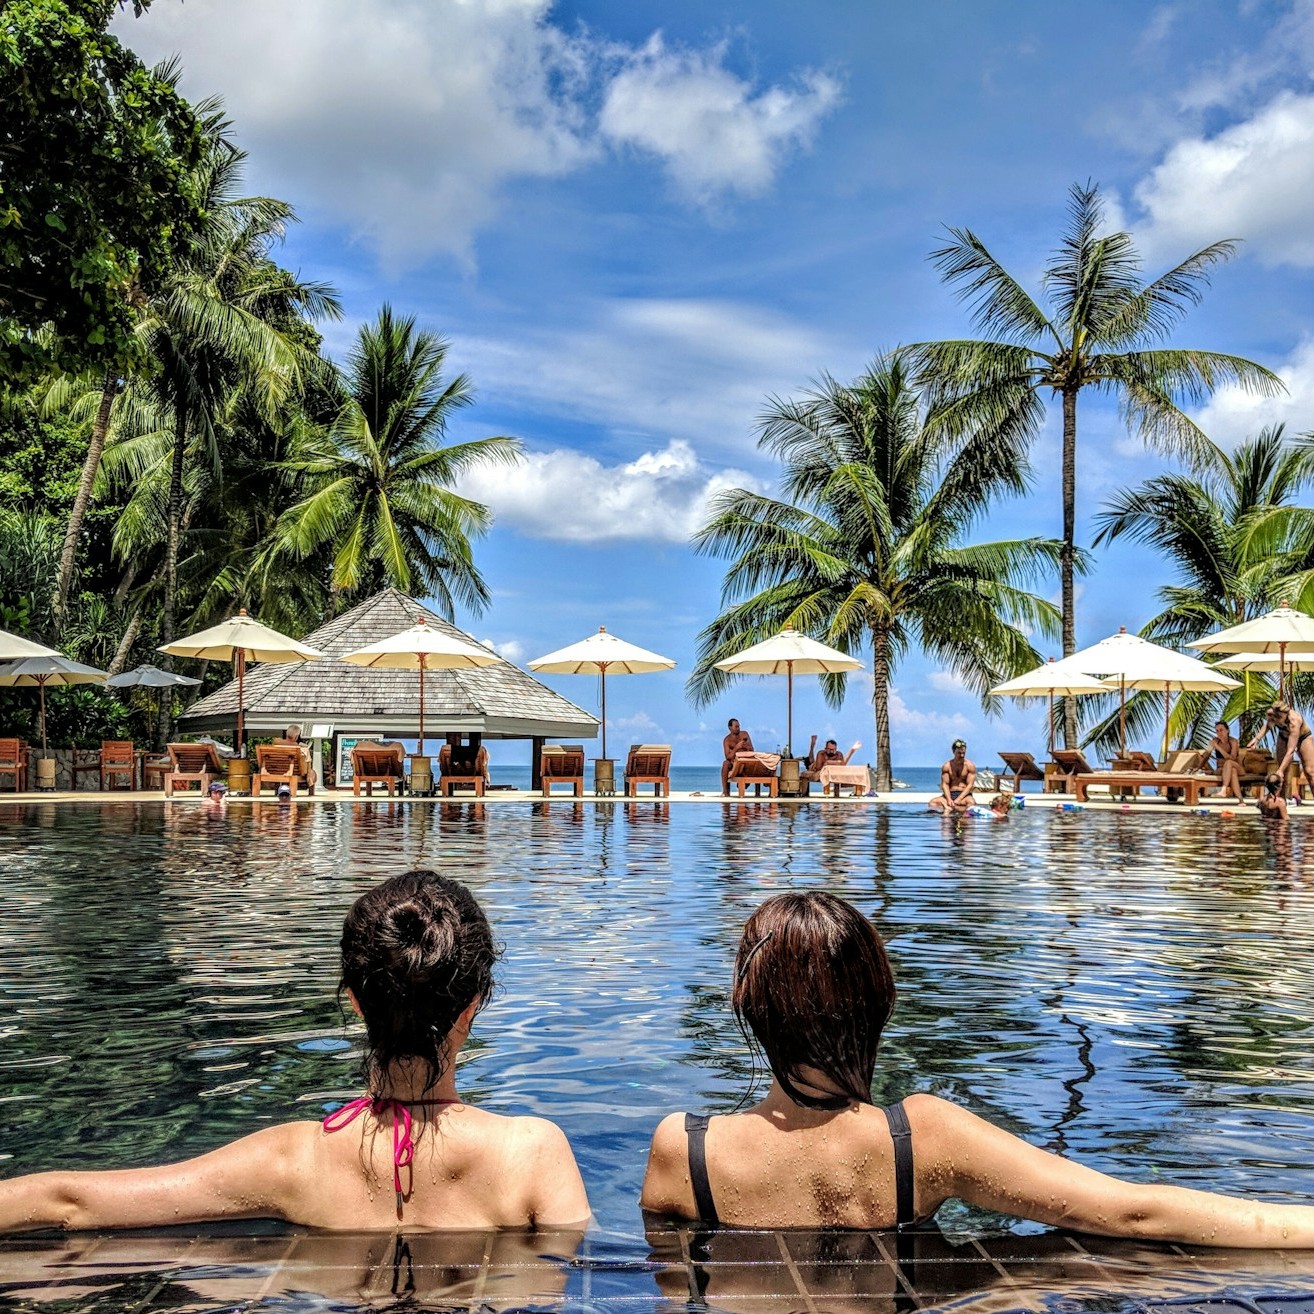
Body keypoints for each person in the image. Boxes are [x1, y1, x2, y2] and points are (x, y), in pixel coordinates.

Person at [641, 890, 1314, 1244]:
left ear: (749, 1009)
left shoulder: (687, 1149)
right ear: (879, 1001)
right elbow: (1133, 1215)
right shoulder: (921, 1138)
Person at [0, 871, 589, 1231]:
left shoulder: (294, 1160)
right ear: (474, 1003)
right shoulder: (532, 1155)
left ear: (355, 1001)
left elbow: (69, 1201)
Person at [927, 739, 976, 813]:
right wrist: (949, 799)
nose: (962, 755)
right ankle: (949, 810)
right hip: (950, 794)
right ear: (954, 752)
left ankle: (951, 809)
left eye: (963, 753)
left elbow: (970, 785)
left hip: (964, 795)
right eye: (959, 753)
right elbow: (945, 784)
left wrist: (959, 799)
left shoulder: (970, 766)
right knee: (932, 803)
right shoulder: (947, 766)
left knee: (971, 804)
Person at [1206, 720, 1242, 799]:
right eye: (1217, 731)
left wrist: (1218, 747)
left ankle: (1223, 790)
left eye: (1221, 730)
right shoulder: (1215, 741)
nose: (1219, 733)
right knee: (1233, 771)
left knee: (1229, 762)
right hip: (1222, 770)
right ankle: (1240, 800)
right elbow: (1206, 756)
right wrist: (1198, 768)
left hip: (1238, 768)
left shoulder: (1233, 741)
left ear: (1227, 730)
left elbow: (1232, 758)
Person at [276, 723, 318, 790]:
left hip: (276, 770)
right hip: (295, 772)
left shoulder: (276, 745)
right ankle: (310, 784)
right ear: (296, 737)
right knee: (312, 772)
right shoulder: (301, 749)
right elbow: (305, 770)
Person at [721, 718, 754, 796]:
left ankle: (744, 784)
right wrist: (736, 748)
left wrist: (746, 747)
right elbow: (727, 757)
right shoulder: (727, 740)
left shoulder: (744, 734)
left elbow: (752, 750)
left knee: (750, 764)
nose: (738, 728)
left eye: (739, 726)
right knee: (725, 764)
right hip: (734, 763)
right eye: (736, 727)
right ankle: (725, 791)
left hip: (745, 762)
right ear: (730, 728)